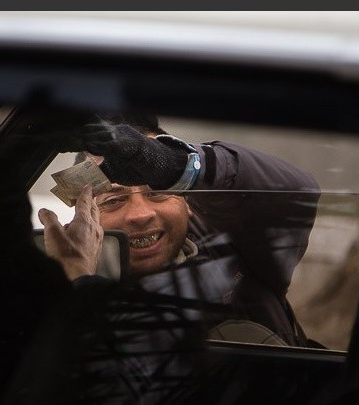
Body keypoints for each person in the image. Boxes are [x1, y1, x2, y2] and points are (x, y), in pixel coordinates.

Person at [38, 114, 322, 347]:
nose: (141, 214)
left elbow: (296, 194)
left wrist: (179, 167)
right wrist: (74, 279)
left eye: (160, 191)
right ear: (85, 213)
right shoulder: (51, 278)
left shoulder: (236, 248)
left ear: (188, 200)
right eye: (114, 200)